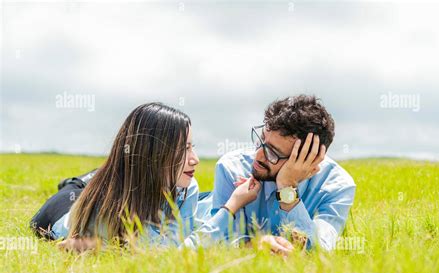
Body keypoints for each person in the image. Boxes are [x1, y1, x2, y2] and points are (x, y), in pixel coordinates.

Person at [29, 102, 263, 251]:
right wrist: (231, 206)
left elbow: (177, 242)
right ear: (152, 154)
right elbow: (169, 252)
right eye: (184, 149)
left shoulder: (187, 187)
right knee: (80, 185)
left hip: (140, 185)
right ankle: (90, 177)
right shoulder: (105, 207)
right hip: (64, 209)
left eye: (193, 147)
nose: (195, 159)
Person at [196, 94, 356, 252]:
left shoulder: (338, 187)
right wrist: (254, 246)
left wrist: (287, 188)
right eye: (261, 140)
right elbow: (220, 244)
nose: (257, 155)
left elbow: (319, 250)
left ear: (308, 160)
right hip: (200, 212)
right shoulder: (232, 167)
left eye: (273, 153)